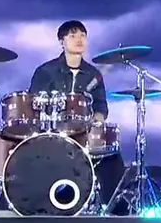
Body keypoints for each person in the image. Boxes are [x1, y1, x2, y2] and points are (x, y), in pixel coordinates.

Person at [28, 20, 125, 210]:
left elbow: (101, 107)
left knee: (111, 153)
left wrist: (96, 120)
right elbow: (34, 105)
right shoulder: (45, 72)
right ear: (62, 42)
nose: (79, 39)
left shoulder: (93, 74)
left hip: (83, 133)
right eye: (72, 36)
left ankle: (116, 210)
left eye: (82, 35)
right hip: (53, 133)